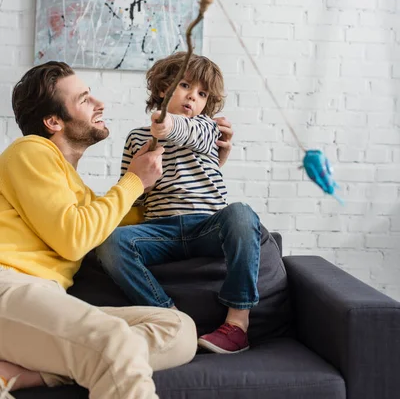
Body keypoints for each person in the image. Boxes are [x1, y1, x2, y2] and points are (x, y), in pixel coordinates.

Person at [0, 61, 198, 399]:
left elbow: (124, 220)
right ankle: (79, 362)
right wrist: (133, 180)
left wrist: (194, 172)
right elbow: (74, 238)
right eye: (85, 99)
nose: (100, 104)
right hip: (8, 289)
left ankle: (27, 374)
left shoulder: (75, 189)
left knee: (179, 328)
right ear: (53, 121)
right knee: (114, 339)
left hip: (43, 303)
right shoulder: (30, 151)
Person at [96, 52, 261, 355]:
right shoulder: (137, 138)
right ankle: (172, 318)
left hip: (207, 226)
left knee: (241, 213)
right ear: (163, 89)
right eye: (184, 85)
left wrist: (168, 125)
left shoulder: (207, 129)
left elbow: (190, 133)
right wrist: (141, 174)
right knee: (111, 241)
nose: (192, 97)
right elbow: (132, 194)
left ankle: (237, 324)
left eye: (201, 94)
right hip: (161, 230)